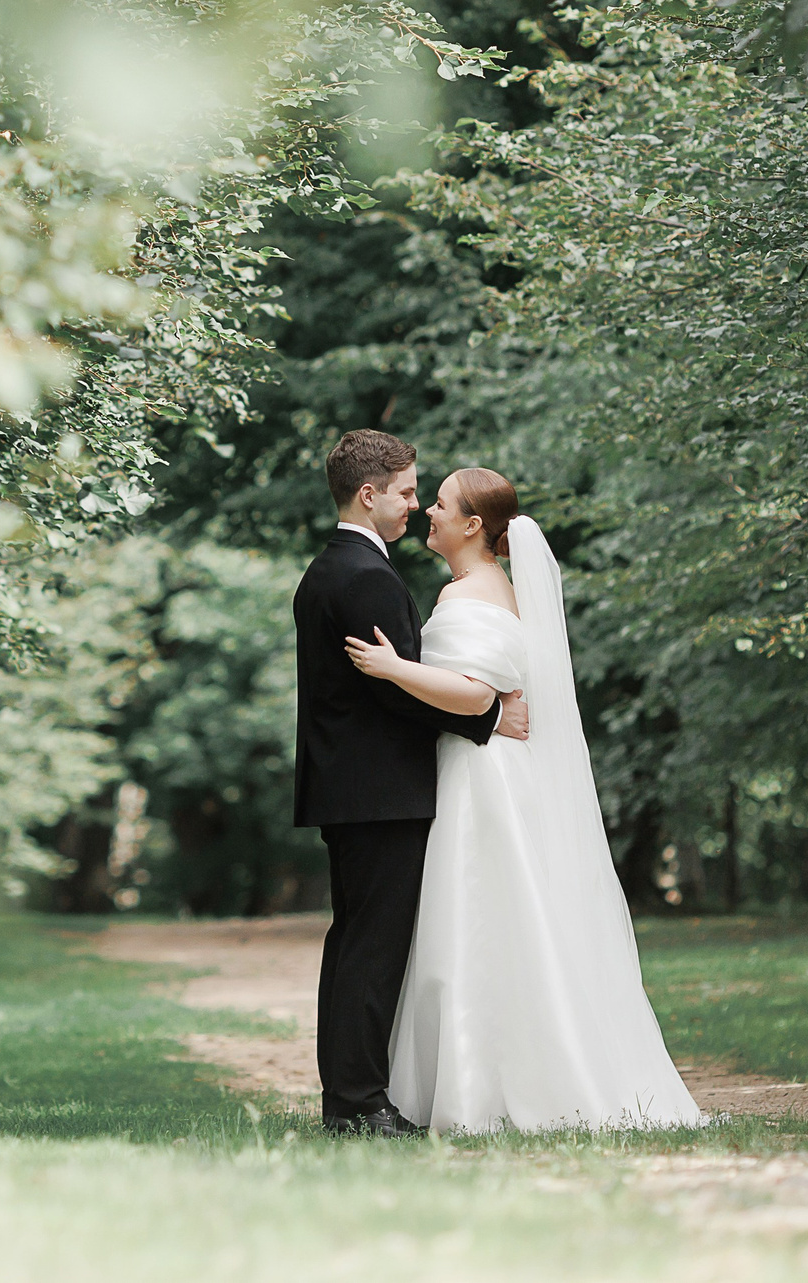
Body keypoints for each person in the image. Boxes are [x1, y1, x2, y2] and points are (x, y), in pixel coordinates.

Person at [345, 465, 703, 1133]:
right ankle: (485, 1076)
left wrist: (395, 667)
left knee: (477, 915)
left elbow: (477, 695)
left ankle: (486, 1087)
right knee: (497, 920)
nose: (429, 512)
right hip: (487, 767)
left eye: (442, 505)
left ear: (473, 524)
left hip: (482, 779)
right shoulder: (484, 588)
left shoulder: (470, 594)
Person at [293, 430, 529, 1137]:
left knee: (355, 944)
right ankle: (360, 1103)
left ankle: (351, 1098)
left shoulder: (329, 568)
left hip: (353, 789)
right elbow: (396, 694)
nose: (414, 503)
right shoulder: (367, 576)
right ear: (370, 494)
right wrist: (489, 711)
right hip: (380, 791)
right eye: (404, 492)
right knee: (372, 949)